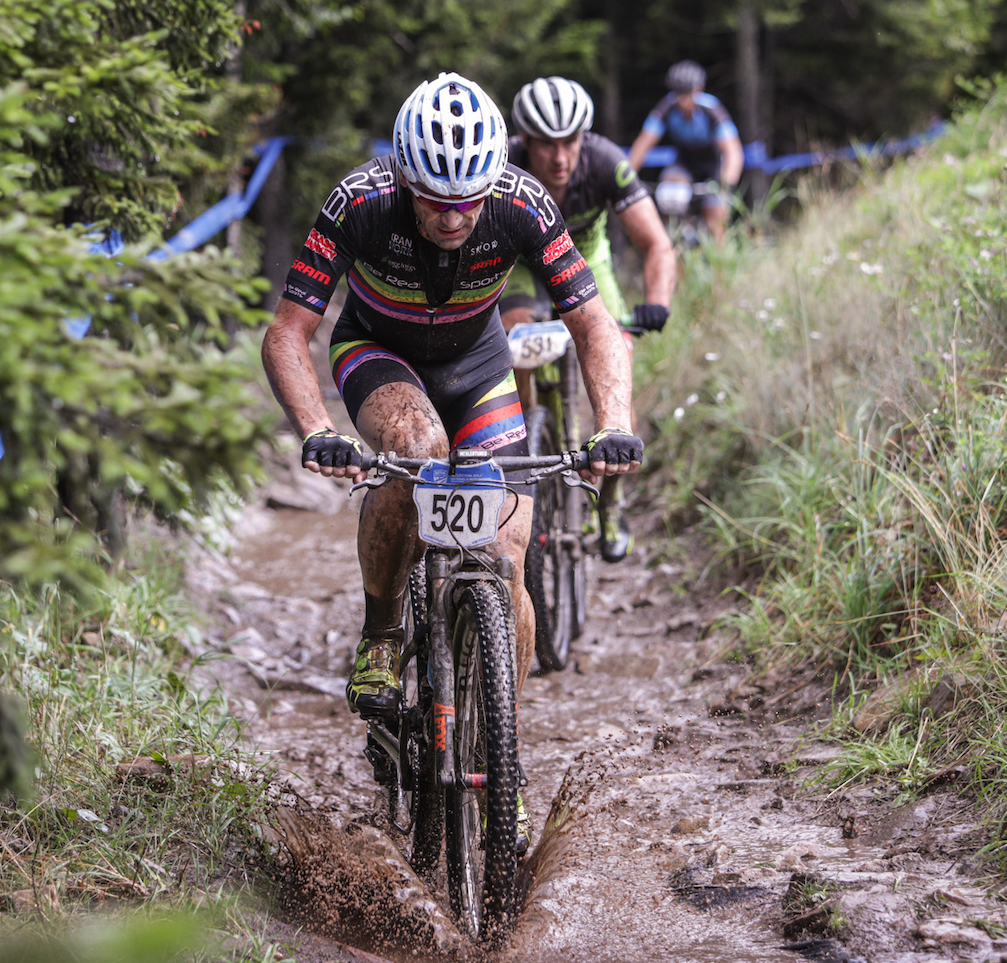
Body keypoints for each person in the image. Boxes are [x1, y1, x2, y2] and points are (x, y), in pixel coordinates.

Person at [260, 73, 644, 847]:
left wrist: (614, 424)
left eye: (468, 199)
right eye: (436, 198)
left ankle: (502, 756)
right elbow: (287, 333)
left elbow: (597, 327)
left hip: (478, 366)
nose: (454, 215)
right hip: (379, 353)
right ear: (404, 176)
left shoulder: (522, 201)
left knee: (508, 559)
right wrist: (313, 429)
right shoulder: (358, 203)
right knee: (419, 452)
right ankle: (380, 633)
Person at [502, 76, 678, 562]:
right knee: (515, 340)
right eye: (546, 145)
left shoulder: (605, 162)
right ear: (524, 141)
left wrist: (656, 301)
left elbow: (657, 243)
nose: (560, 157)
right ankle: (524, 448)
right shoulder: (503, 166)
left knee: (617, 351)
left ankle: (612, 505)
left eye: (570, 142)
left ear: (585, 137)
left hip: (586, 261)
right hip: (521, 266)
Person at [627, 60, 744, 243]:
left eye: (687, 94)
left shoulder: (712, 109)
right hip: (684, 162)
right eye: (678, 94)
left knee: (716, 217)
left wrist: (727, 181)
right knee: (669, 195)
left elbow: (732, 151)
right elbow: (643, 144)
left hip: (712, 164)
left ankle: (719, 262)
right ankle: (677, 246)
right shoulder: (666, 108)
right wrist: (627, 176)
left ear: (698, 90)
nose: (683, 100)